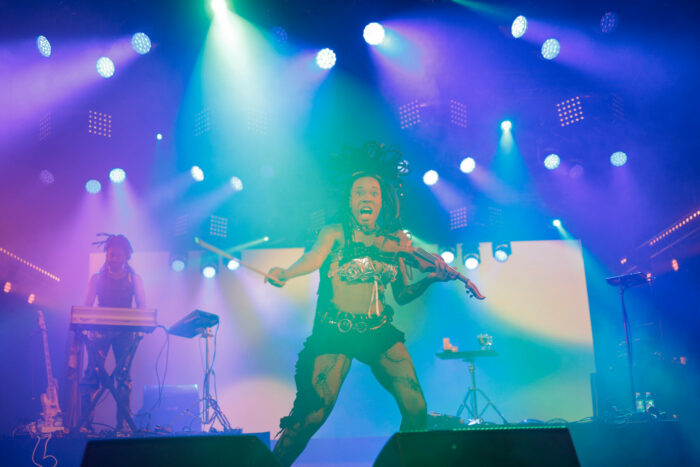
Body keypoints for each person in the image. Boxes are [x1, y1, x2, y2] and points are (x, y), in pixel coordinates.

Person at [266, 142, 460, 466]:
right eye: (359, 193)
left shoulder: (394, 242)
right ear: (350, 200)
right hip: (335, 330)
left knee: (416, 407)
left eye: (373, 193)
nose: (367, 198)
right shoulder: (335, 232)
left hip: (378, 330)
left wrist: (430, 278)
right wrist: (287, 272)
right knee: (311, 417)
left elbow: (401, 295)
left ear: (382, 200)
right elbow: (313, 258)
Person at [79, 233, 146, 432]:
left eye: (118, 255)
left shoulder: (134, 278)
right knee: (92, 374)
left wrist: (141, 327)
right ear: (107, 254)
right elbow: (87, 305)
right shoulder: (97, 278)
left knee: (124, 377)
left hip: (125, 333)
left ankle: (123, 426)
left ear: (126, 256)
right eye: (111, 254)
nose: (114, 258)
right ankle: (85, 425)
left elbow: (142, 305)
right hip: (100, 331)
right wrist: (86, 325)